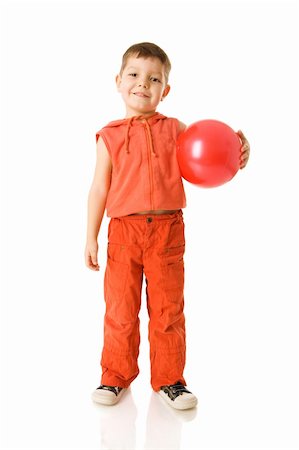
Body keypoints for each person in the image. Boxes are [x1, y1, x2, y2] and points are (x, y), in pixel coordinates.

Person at [85, 42, 250, 410]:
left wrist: (239, 152)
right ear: (118, 81)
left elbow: (209, 155)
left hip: (167, 232)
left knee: (167, 311)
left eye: (154, 78)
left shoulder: (177, 130)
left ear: (165, 90)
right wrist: (90, 236)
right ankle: (114, 377)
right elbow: (99, 187)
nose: (142, 84)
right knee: (120, 310)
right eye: (134, 75)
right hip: (123, 234)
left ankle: (170, 381)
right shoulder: (108, 135)